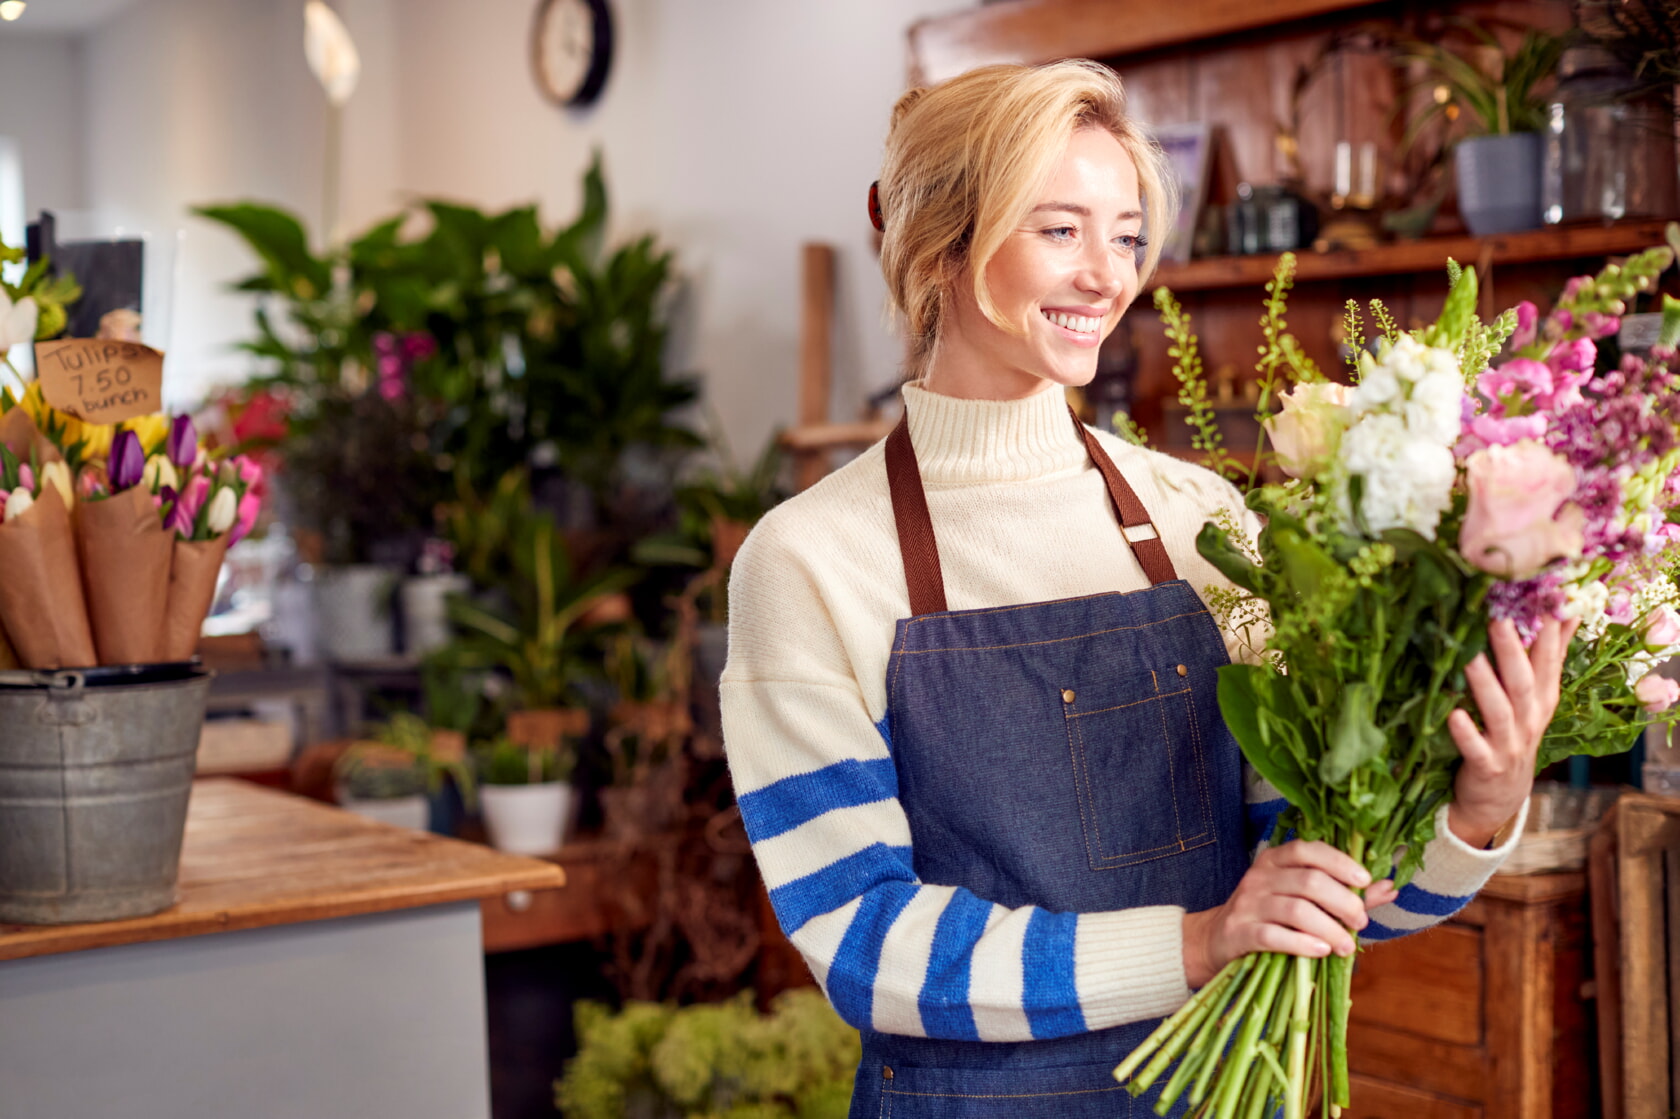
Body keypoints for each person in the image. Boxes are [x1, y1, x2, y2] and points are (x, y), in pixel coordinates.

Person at [721, 60, 1567, 1119]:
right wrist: (1196, 943)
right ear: (941, 243)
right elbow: (862, 942)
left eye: (1125, 235)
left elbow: (1312, 879)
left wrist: (1476, 819)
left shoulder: (1200, 519)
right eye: (1060, 230)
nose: (1107, 277)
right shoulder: (808, 560)